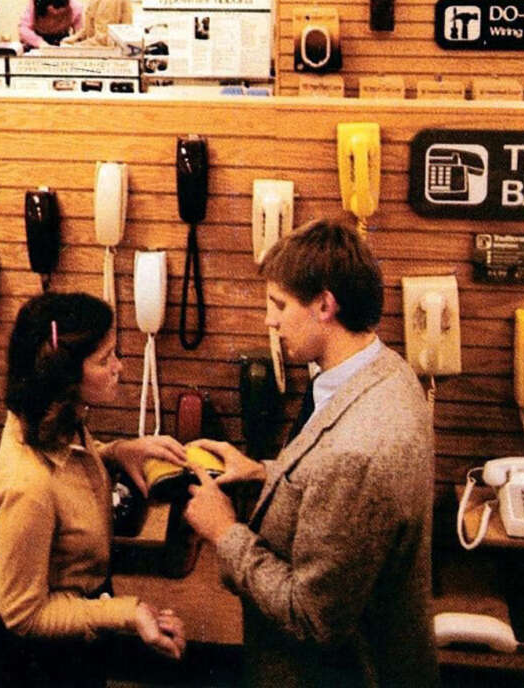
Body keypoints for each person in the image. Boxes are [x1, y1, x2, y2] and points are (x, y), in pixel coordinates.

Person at [185, 219, 437, 688]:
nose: (270, 320)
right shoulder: (386, 372)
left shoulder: (360, 449)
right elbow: (336, 487)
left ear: (325, 304)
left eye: (279, 305)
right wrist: (264, 472)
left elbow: (311, 617)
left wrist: (224, 532)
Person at [0, 292, 187, 688]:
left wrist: (115, 453)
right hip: (47, 664)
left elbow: (69, 463)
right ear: (63, 376)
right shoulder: (27, 486)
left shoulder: (53, 420)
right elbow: (25, 616)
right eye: (104, 359)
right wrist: (129, 613)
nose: (120, 367)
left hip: (83, 625)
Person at [18, 0, 83, 49]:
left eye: (58, 8)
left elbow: (81, 33)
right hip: (37, 43)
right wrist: (41, 43)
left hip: (62, 42)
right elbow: (23, 29)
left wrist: (74, 39)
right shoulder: (34, 5)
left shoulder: (75, 7)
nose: (55, 13)